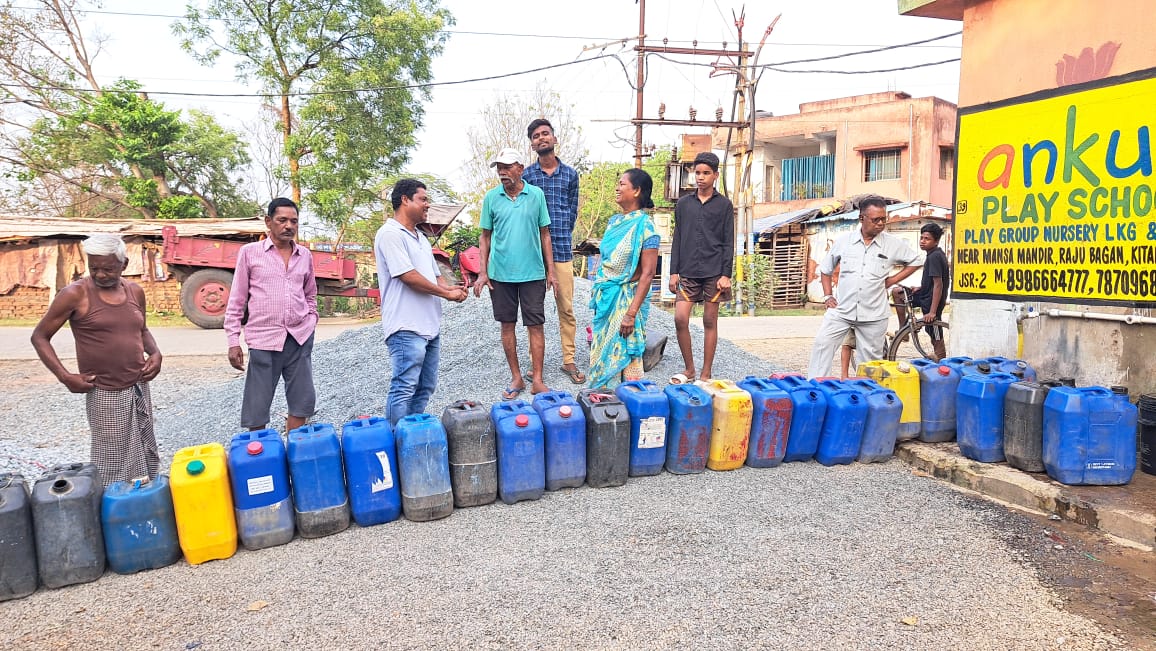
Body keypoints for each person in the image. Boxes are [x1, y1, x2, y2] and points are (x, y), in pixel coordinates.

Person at [31, 234, 162, 487]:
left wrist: (155, 353)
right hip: (104, 391)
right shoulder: (75, 294)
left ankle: (145, 500)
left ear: (123, 265)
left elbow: (141, 329)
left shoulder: (135, 291)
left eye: (108, 269)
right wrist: (65, 376)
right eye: (94, 268)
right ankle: (113, 510)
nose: (100, 274)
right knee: (111, 460)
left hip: (138, 385)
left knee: (145, 449)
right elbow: (40, 337)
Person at [375, 178, 469, 426]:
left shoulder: (420, 238)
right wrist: (447, 294)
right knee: (404, 386)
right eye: (423, 199)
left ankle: (412, 437)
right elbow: (407, 275)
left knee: (425, 387)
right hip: (406, 326)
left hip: (429, 326)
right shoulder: (390, 234)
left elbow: (435, 278)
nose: (428, 205)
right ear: (405, 200)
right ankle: (397, 442)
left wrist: (453, 289)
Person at [224, 197, 318, 432]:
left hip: (298, 337)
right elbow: (237, 299)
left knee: (302, 402)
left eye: (294, 221)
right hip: (264, 339)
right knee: (257, 405)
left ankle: (294, 452)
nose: (289, 226)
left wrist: (311, 321)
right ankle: (262, 455)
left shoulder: (304, 255)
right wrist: (233, 341)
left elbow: (310, 296)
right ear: (269, 222)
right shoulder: (250, 253)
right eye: (282, 220)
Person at [473, 147, 556, 400]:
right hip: (500, 276)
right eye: (499, 168)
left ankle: (538, 379)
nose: (502, 172)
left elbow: (545, 234)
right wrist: (482, 272)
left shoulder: (536, 195)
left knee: (536, 326)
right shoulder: (491, 198)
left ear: (521, 168)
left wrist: (550, 271)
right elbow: (485, 237)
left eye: (507, 167)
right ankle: (517, 377)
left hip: (532, 274)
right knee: (507, 326)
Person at [807, 197, 922, 378]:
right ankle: (815, 390)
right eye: (875, 219)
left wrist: (892, 280)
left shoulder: (892, 244)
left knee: (869, 364)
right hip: (842, 311)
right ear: (862, 218)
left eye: (883, 219)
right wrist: (827, 296)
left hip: (874, 315)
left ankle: (866, 399)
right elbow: (826, 270)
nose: (881, 223)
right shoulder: (844, 242)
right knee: (822, 345)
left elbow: (916, 260)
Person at [522, 118, 584, 384]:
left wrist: (561, 232)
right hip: (533, 255)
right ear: (532, 144)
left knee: (566, 308)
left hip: (560, 250)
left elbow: (571, 211)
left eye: (545, 133)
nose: (541, 138)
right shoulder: (527, 176)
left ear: (554, 139)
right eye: (536, 136)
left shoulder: (570, 175)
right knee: (534, 313)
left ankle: (568, 360)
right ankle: (536, 365)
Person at [588, 169, 660, 389]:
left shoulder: (645, 226)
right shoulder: (614, 222)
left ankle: (628, 407)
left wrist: (630, 314)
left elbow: (648, 274)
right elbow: (606, 259)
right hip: (607, 296)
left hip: (627, 301)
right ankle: (601, 403)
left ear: (637, 191)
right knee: (602, 350)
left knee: (625, 355)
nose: (617, 188)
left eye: (622, 184)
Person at [669, 151, 734, 384]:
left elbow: (728, 242)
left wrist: (726, 274)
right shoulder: (684, 204)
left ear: (715, 175)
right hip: (687, 271)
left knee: (709, 321)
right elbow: (678, 237)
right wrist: (673, 271)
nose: (701, 177)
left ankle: (706, 373)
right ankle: (689, 369)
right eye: (697, 172)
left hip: (714, 273)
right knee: (680, 318)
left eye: (706, 173)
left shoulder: (724, 205)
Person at [891, 222, 950, 360]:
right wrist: (921, 287)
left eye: (927, 239)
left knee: (934, 331)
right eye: (921, 238)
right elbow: (932, 282)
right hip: (925, 294)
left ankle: (941, 362)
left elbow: (938, 285)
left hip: (932, 301)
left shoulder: (935, 256)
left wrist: (933, 312)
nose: (922, 241)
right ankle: (903, 331)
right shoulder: (933, 254)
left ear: (936, 241)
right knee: (897, 293)